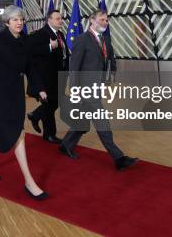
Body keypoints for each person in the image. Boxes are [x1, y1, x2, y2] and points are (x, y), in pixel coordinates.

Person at [0, 5, 49, 200]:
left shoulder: (24, 41)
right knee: (17, 133)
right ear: (7, 22)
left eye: (21, 19)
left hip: (15, 94)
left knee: (4, 131)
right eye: (15, 19)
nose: (19, 22)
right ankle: (29, 181)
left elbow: (30, 67)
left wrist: (39, 87)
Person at [59, 10, 139, 171]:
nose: (105, 22)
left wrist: (111, 76)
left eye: (107, 20)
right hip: (85, 90)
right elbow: (74, 67)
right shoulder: (82, 40)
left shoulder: (105, 39)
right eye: (102, 20)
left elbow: (110, 59)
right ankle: (119, 158)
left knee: (82, 122)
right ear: (92, 21)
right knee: (103, 122)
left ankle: (65, 145)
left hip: (97, 87)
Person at [26, 9, 68, 143]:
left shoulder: (60, 33)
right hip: (46, 78)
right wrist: (49, 47)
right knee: (51, 103)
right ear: (49, 20)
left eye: (61, 18)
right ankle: (49, 133)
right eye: (57, 18)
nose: (60, 20)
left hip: (59, 76)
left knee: (54, 102)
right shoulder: (41, 33)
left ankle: (36, 115)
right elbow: (30, 51)